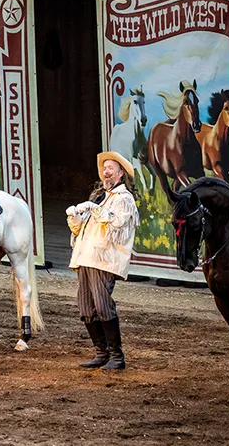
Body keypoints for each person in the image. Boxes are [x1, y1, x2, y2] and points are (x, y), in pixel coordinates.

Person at [66, 151, 139, 370]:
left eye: (110, 168)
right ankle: (101, 352)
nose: (106, 172)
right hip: (85, 258)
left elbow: (116, 225)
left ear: (120, 173)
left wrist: (94, 209)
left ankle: (117, 356)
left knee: (102, 305)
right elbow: (81, 228)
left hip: (103, 260)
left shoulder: (124, 199)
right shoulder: (100, 197)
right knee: (86, 307)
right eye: (104, 168)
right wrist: (75, 216)